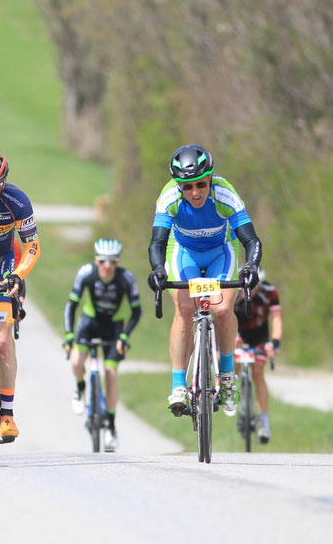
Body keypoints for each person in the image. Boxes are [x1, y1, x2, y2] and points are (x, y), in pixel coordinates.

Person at [147, 144, 262, 418]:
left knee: (222, 309)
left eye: (201, 184)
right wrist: (157, 270)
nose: (195, 192)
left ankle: (227, 375)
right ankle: (178, 386)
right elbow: (158, 242)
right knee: (184, 310)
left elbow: (251, 240)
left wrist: (250, 266)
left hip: (220, 252)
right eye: (187, 187)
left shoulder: (224, 194)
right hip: (183, 252)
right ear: (178, 186)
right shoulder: (168, 198)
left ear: (211, 178)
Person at [0, 149, 41, 443]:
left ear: (3, 183)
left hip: (0, 267)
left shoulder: (17, 201)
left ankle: (6, 414)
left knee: (2, 342)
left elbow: (32, 245)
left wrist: (18, 274)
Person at [63, 238, 140, 451]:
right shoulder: (86, 273)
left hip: (114, 327)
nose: (108, 266)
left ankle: (112, 426)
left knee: (111, 374)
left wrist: (125, 336)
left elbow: (136, 311)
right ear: (96, 261)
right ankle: (80, 388)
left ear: (118, 263)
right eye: (104, 262)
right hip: (89, 323)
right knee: (77, 362)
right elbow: (72, 305)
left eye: (113, 262)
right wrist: (69, 334)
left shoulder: (126, 278)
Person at [233, 266, 282, 442]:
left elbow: (276, 319)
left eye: (254, 285)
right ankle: (231, 391)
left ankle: (264, 423)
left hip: (259, 335)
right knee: (232, 363)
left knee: (258, 372)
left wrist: (275, 342)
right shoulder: (232, 290)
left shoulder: (269, 293)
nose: (249, 289)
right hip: (236, 332)